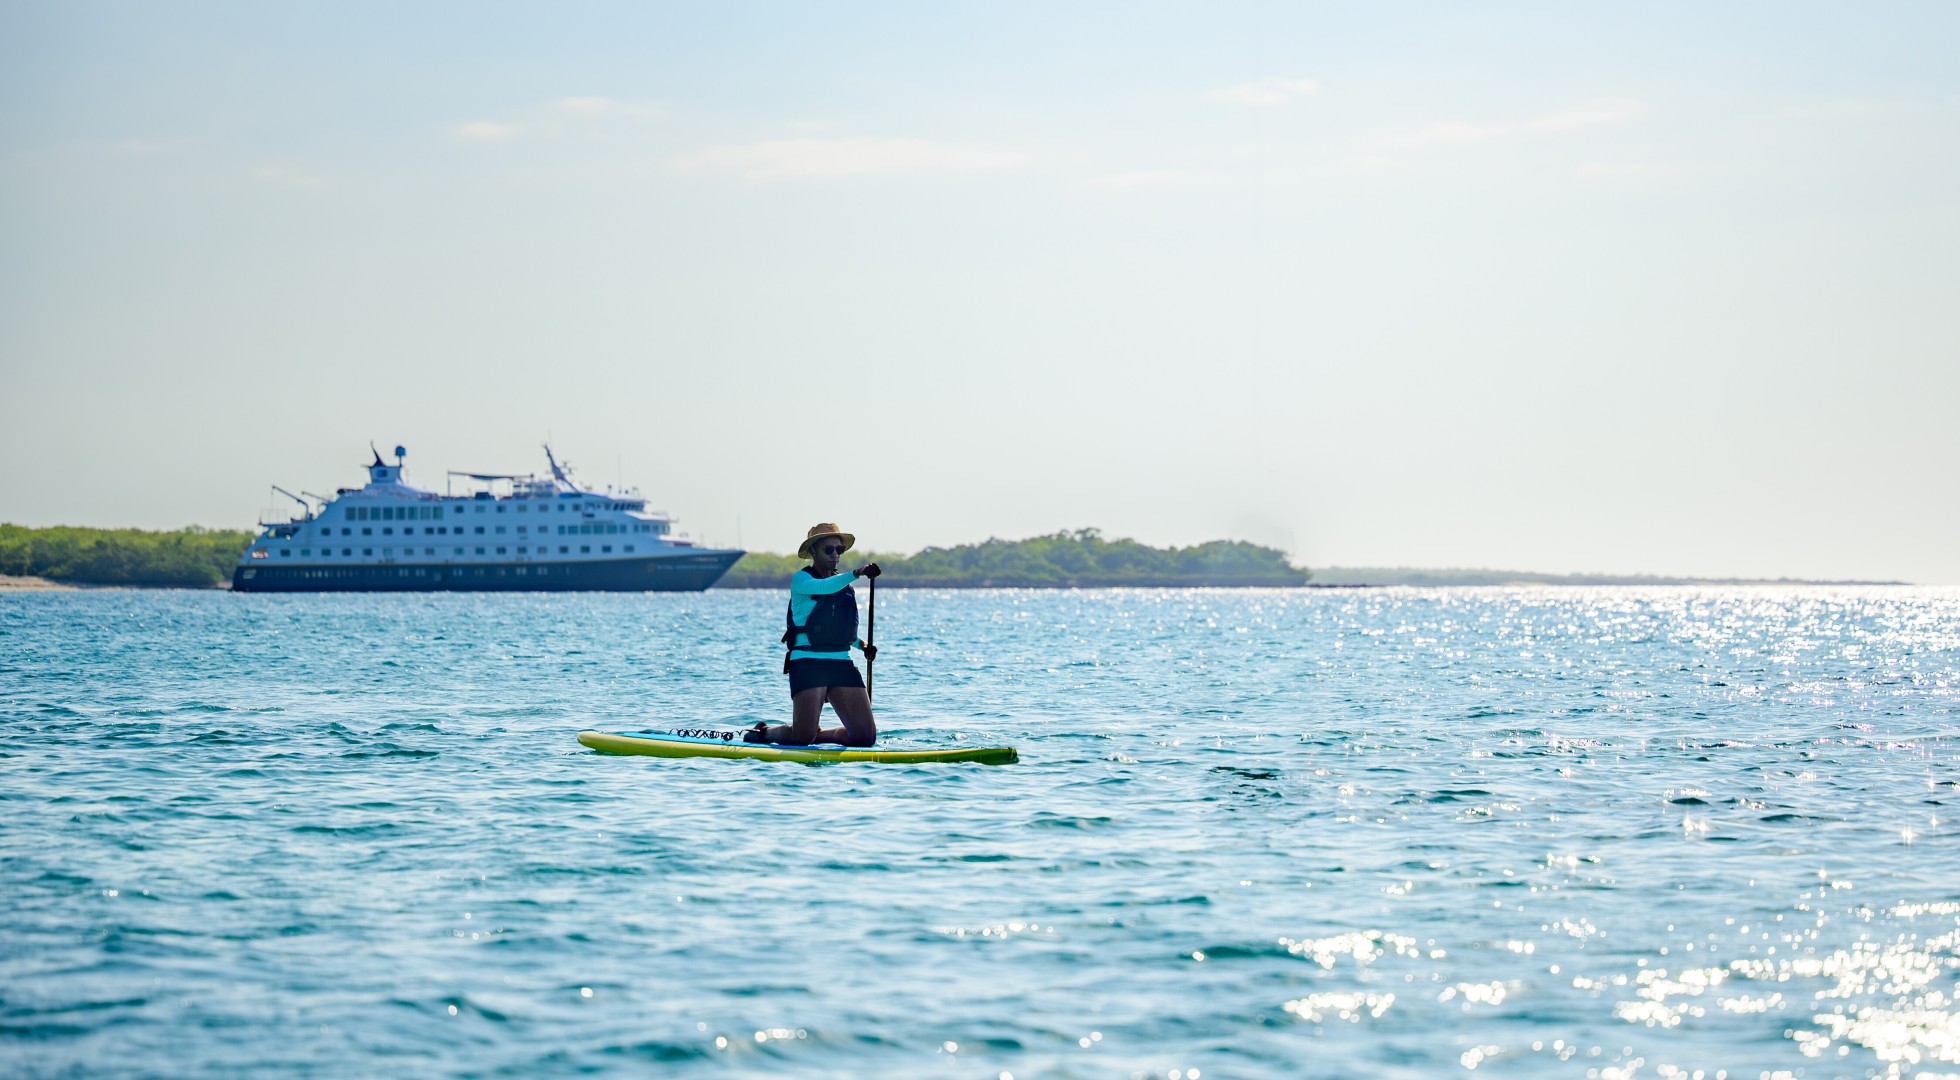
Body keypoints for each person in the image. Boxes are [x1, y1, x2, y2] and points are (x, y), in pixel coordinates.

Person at [746, 523, 880, 747]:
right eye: (828, 549)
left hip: (840, 663)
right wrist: (857, 573)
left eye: (838, 550)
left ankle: (820, 734)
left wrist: (862, 646)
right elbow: (824, 587)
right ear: (814, 552)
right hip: (808, 662)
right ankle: (765, 733)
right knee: (801, 738)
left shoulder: (845, 586)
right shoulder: (802, 580)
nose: (835, 554)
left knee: (865, 739)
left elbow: (841, 631)